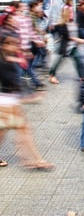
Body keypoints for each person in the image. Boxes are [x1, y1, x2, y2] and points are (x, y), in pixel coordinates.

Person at [0, 31, 53, 170]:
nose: (14, 46)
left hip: (9, 103)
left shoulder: (9, 59)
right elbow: (11, 84)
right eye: (10, 43)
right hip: (5, 105)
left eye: (16, 44)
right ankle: (35, 160)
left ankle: (34, 160)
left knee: (16, 132)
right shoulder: (4, 62)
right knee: (22, 132)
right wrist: (30, 97)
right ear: (3, 45)